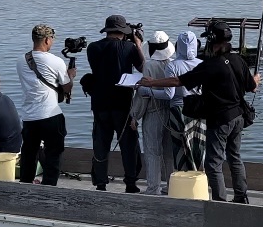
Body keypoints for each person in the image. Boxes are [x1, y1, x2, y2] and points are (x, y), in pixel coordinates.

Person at [138, 20, 260, 203]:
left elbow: (178, 81)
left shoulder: (210, 65)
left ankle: (220, 202)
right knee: (234, 157)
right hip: (238, 117)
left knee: (213, 163)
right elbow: (252, 87)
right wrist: (256, 78)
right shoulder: (238, 60)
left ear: (212, 41)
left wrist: (150, 83)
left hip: (220, 120)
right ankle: (241, 197)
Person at [85, 15, 145, 192]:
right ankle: (131, 183)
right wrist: (138, 45)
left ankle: (101, 183)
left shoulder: (92, 48)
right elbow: (143, 67)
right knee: (128, 145)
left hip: (100, 103)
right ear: (123, 32)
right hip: (123, 104)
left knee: (101, 144)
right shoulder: (130, 47)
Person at [16, 24, 74, 185]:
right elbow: (67, 87)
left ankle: (25, 185)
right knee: (54, 154)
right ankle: (49, 187)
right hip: (50, 115)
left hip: (28, 116)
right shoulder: (56, 61)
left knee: (29, 153)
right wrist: (71, 76)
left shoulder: (21, 60)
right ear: (47, 40)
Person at [130, 31, 176, 195]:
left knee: (152, 152)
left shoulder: (149, 66)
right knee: (169, 153)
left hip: (153, 112)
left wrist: (135, 115)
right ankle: (173, 186)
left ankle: (153, 188)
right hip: (171, 112)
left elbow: (144, 95)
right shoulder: (173, 63)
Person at [166, 31, 204, 171]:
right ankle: (200, 178)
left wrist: (146, 89)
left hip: (178, 110)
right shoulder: (203, 64)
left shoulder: (172, 66)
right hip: (199, 110)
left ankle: (183, 179)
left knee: (180, 146)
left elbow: (169, 95)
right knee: (199, 145)